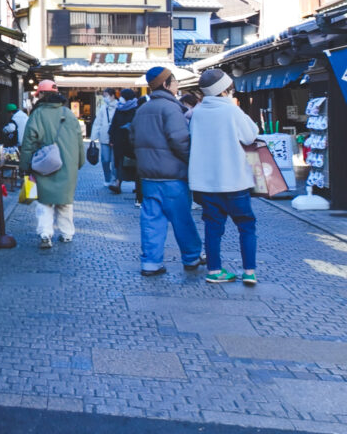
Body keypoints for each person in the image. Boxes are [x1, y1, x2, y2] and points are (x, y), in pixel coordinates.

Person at [189, 68, 260, 285]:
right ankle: (249, 272)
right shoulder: (232, 111)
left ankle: (215, 270)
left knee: (212, 227)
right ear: (225, 90)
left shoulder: (197, 113)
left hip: (206, 183)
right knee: (246, 224)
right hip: (234, 181)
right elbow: (251, 136)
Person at [131, 66, 203, 277]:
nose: (177, 85)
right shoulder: (171, 109)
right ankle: (191, 257)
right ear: (166, 84)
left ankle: (151, 263)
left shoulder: (142, 109)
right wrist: (192, 162)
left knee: (151, 220)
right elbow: (180, 140)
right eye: (175, 81)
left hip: (148, 176)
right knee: (182, 219)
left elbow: (132, 139)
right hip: (172, 175)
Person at [19, 80, 85, 249]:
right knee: (65, 201)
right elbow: (79, 140)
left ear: (41, 95)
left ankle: (45, 234)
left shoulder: (37, 114)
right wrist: (79, 162)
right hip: (68, 165)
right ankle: (67, 233)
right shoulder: (68, 113)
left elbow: (29, 142)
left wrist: (25, 166)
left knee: (44, 201)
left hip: (44, 165)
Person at [108, 89, 141, 198]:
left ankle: (137, 186)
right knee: (119, 163)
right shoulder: (119, 108)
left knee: (134, 163)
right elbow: (114, 123)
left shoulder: (137, 108)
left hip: (131, 140)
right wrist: (111, 138)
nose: (120, 97)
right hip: (119, 140)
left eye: (122, 96)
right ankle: (118, 184)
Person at [91, 89, 118, 190]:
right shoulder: (103, 108)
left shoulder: (119, 107)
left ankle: (115, 180)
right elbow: (98, 122)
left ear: (112, 96)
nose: (104, 98)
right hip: (104, 137)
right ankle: (108, 178)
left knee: (115, 162)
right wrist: (93, 137)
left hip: (115, 138)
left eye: (106, 96)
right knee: (105, 160)